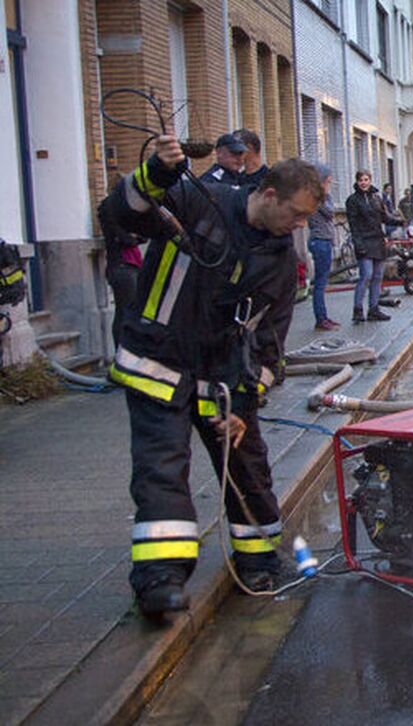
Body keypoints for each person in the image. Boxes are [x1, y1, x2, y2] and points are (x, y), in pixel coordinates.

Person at [101, 134, 323, 617]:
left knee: (248, 467)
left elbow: (269, 344)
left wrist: (244, 406)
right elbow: (122, 216)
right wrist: (157, 173)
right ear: (268, 195)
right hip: (158, 361)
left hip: (221, 377)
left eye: (306, 219)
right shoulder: (198, 202)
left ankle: (259, 559)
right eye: (295, 214)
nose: (300, 226)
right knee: (162, 469)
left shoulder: (281, 260)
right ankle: (160, 581)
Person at [345, 170, 397, 322]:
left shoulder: (376, 198)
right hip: (364, 241)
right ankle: (358, 309)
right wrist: (358, 244)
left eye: (366, 179)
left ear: (370, 180)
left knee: (378, 276)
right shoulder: (353, 200)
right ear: (357, 182)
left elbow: (385, 218)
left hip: (378, 241)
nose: (364, 182)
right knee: (366, 275)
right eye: (361, 180)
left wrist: (399, 221)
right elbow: (353, 225)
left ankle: (374, 309)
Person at [97, 192, 144, 345]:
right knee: (125, 312)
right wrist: (132, 237)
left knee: (130, 312)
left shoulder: (125, 215)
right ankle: (121, 351)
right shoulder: (109, 212)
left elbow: (143, 236)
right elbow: (127, 239)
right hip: (122, 266)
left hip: (131, 265)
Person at [307, 165, 340, 331]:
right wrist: (324, 195)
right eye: (328, 181)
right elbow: (329, 213)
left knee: (323, 282)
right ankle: (320, 319)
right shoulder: (317, 198)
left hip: (325, 241)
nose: (330, 184)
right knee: (320, 284)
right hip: (320, 241)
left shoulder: (323, 197)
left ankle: (324, 316)